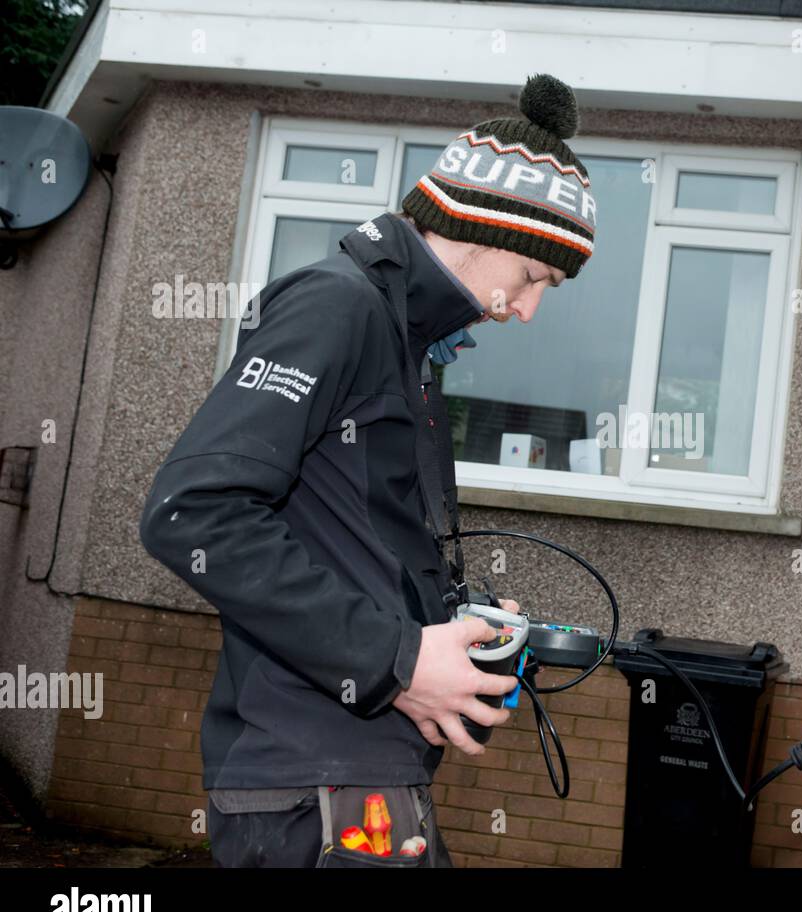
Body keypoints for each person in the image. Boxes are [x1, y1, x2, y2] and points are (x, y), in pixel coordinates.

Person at [138, 74, 596, 867]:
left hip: (361, 772)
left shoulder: (407, 346)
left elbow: (351, 544)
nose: (528, 311)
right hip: (309, 784)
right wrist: (399, 660)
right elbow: (193, 511)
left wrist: (454, 625)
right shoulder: (336, 306)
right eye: (535, 280)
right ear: (492, 229)